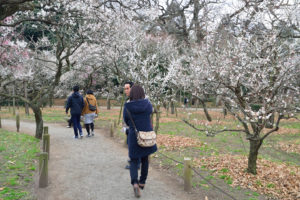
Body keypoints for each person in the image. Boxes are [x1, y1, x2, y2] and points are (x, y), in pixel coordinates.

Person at [123, 85, 157, 198]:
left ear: (132, 93)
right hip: (146, 136)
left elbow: (127, 121)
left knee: (133, 160)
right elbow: (150, 113)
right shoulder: (148, 104)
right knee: (145, 159)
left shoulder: (127, 106)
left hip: (134, 136)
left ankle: (135, 183)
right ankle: (142, 181)